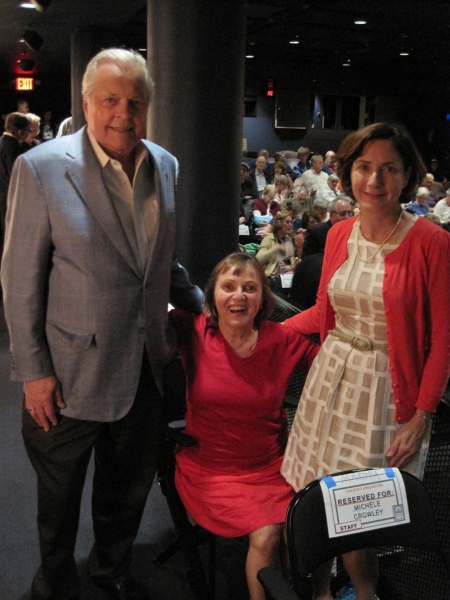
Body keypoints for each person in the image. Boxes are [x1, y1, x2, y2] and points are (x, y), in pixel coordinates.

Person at [1, 48, 203, 600]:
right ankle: (56, 587)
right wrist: (34, 374)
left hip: (144, 369)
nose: (124, 113)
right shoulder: (40, 168)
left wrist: (204, 305)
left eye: (136, 102)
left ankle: (110, 574)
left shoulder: (165, 164)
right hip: (67, 377)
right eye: (111, 100)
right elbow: (20, 282)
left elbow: (158, 261)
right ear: (87, 102)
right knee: (59, 503)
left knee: (126, 494)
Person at [281, 122, 450, 600]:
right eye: (364, 167)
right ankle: (317, 593)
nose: (374, 180)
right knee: (313, 500)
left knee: (356, 513)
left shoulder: (431, 243)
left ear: (407, 176)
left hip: (384, 393)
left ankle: (364, 593)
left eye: (388, 169)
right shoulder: (338, 235)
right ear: (347, 173)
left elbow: (444, 341)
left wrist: (422, 416)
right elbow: (322, 313)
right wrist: (267, 333)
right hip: (328, 383)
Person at [170, 252, 319, 600]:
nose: (239, 295)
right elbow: (142, 309)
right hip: (212, 468)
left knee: (299, 530)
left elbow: (331, 366)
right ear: (212, 297)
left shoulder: (279, 339)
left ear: (262, 299)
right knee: (268, 534)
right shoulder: (193, 330)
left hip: (271, 467)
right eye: (229, 286)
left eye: (250, 288)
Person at [0, 112, 31, 271]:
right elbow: (15, 173)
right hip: (7, 200)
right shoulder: (12, 146)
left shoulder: (2, 142)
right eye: (28, 131)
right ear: (20, 132)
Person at [256, 211, 295, 277]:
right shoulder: (268, 239)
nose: (290, 225)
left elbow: (291, 260)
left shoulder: (288, 239)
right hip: (272, 275)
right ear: (279, 224)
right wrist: (276, 248)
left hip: (287, 273)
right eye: (287, 222)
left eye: (291, 222)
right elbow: (258, 260)